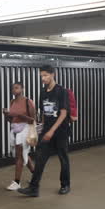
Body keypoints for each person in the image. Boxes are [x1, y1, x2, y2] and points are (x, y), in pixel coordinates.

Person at [18, 65, 70, 197]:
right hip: (46, 130)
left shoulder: (61, 91)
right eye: (41, 75)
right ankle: (34, 188)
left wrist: (51, 131)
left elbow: (63, 114)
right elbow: (43, 113)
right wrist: (40, 129)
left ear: (53, 74)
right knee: (40, 158)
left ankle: (65, 185)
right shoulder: (43, 91)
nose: (43, 78)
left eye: (45, 75)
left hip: (60, 131)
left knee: (63, 158)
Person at [3, 82, 36, 190]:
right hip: (15, 130)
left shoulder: (28, 102)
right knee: (23, 154)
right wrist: (6, 115)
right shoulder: (12, 102)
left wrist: (18, 115)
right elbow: (11, 120)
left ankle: (17, 182)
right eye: (12, 88)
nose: (14, 90)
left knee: (19, 156)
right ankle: (36, 176)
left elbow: (33, 120)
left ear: (22, 89)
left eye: (16, 88)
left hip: (25, 129)